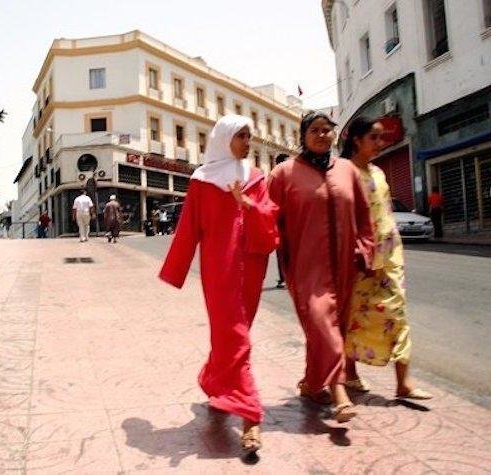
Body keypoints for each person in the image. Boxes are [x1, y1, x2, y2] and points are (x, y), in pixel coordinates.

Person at [159, 115, 278, 454]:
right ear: (224, 139)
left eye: (249, 136)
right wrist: (175, 270)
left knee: (233, 337)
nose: (248, 142)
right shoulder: (202, 181)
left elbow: (270, 219)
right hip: (219, 270)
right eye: (241, 136)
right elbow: (188, 228)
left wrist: (249, 205)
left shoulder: (256, 178)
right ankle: (251, 418)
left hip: (252, 267)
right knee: (236, 337)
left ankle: (213, 379)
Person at [267, 111, 374, 423]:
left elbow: (364, 216)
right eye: (314, 129)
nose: (321, 134)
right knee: (321, 321)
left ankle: (312, 384)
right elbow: (267, 217)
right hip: (305, 265)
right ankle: (339, 391)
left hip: (344, 265)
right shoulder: (283, 174)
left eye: (327, 129)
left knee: (331, 327)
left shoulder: (347, 170)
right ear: (302, 136)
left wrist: (364, 250)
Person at [340, 116, 432, 401]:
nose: (381, 143)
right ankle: (350, 373)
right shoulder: (344, 173)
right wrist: (359, 252)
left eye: (382, 137)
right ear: (357, 140)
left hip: (390, 256)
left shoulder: (378, 172)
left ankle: (403, 383)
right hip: (360, 259)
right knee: (354, 316)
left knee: (397, 313)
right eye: (374, 137)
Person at [273, 153, 290, 288]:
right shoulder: (274, 179)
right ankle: (283, 278)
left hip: (294, 221)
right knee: (282, 252)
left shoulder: (292, 178)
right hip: (280, 222)